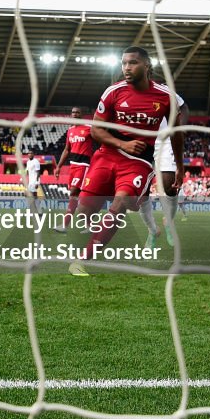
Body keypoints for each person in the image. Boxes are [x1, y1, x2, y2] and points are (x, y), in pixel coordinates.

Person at [70, 46, 184, 276]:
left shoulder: (165, 96)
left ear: (147, 65)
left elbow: (177, 133)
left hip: (138, 161)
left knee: (120, 204)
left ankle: (82, 260)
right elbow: (96, 131)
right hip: (107, 154)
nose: (126, 68)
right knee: (84, 212)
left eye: (132, 63)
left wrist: (180, 167)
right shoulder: (113, 92)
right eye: (124, 63)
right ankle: (126, 221)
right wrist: (122, 144)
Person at [138, 100, 190, 248]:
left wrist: (181, 128)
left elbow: (183, 106)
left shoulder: (165, 90)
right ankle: (153, 230)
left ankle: (168, 220)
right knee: (139, 192)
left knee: (170, 185)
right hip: (140, 139)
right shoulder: (123, 90)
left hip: (165, 139)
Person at [52, 107, 94, 232]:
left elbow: (101, 140)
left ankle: (64, 225)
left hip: (84, 165)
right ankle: (90, 226)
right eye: (73, 112)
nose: (75, 114)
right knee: (78, 196)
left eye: (77, 112)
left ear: (82, 115)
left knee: (73, 193)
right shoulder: (70, 130)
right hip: (73, 166)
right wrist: (59, 166)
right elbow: (66, 149)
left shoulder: (89, 128)